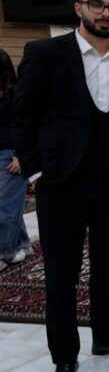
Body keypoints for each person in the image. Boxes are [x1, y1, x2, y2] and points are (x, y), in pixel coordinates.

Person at [12, 0, 109, 371]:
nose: (106, 13)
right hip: (60, 185)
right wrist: (36, 175)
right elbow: (23, 118)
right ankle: (65, 357)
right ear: (79, 8)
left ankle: (106, 337)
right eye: (97, 5)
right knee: (61, 274)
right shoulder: (45, 53)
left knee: (108, 268)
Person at [0, 48, 31, 272]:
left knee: (6, 206)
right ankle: (21, 245)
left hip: (11, 155)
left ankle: (3, 252)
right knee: (10, 204)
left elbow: (25, 126)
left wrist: (21, 157)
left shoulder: (16, 93)